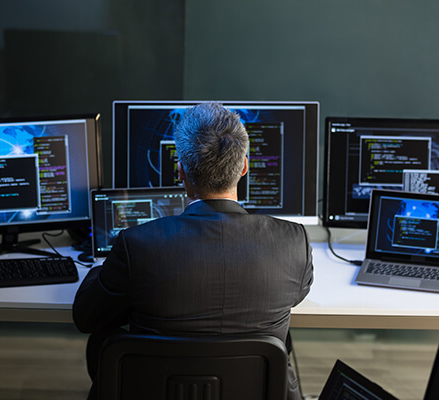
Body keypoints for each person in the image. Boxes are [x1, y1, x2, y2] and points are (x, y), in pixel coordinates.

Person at [72, 101, 314, 400]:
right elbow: (296, 294)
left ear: (181, 173)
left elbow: (86, 318)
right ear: (245, 167)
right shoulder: (293, 242)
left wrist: (103, 269)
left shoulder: (137, 244)